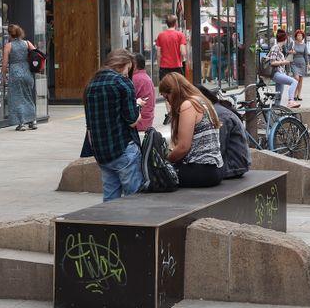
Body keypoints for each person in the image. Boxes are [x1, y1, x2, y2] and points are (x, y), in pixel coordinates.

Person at [84, 50, 148, 202]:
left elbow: (90, 124)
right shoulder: (122, 82)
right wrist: (137, 106)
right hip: (123, 149)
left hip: (102, 153)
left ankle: (111, 226)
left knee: (110, 200)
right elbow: (132, 120)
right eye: (128, 69)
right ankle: (135, 226)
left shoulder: (91, 83)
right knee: (134, 199)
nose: (127, 73)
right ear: (123, 64)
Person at [160, 73, 223, 187]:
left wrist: (166, 159)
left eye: (166, 97)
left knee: (159, 175)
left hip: (201, 169)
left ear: (173, 92)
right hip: (215, 169)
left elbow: (183, 147)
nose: (168, 102)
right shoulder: (202, 100)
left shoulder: (188, 105)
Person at [196, 86, 250, 180]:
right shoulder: (215, 111)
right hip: (232, 164)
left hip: (232, 166)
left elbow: (218, 148)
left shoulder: (218, 115)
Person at [2, 24, 38, 131]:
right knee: (28, 96)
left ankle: (21, 123)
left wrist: (3, 75)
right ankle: (33, 121)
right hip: (27, 73)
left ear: (9, 34)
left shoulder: (8, 46)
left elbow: (4, 63)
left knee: (17, 98)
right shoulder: (27, 43)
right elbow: (37, 54)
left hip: (15, 74)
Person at [267, 30, 300, 108]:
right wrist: (283, 62)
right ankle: (291, 101)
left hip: (279, 73)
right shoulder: (275, 47)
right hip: (276, 73)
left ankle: (276, 109)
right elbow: (272, 62)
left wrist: (283, 61)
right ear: (284, 39)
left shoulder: (279, 48)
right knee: (294, 82)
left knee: (279, 94)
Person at [155, 14, 187, 81]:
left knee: (165, 89)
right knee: (177, 88)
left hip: (164, 67)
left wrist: (159, 66)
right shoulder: (180, 35)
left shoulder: (160, 35)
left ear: (167, 23)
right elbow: (183, 52)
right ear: (175, 23)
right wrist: (181, 59)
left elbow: (158, 54)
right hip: (177, 67)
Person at [131, 53, 155, 132]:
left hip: (139, 122)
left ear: (134, 65)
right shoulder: (145, 77)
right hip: (147, 120)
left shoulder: (135, 78)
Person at [290, 29, 309, 101]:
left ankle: (299, 94)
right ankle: (294, 93)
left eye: (301, 35)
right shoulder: (293, 43)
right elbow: (287, 51)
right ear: (296, 36)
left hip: (302, 63)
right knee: (296, 78)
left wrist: (308, 64)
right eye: (298, 35)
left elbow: (306, 55)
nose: (299, 37)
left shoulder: (304, 45)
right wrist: (292, 51)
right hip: (294, 62)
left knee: (301, 79)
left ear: (303, 37)